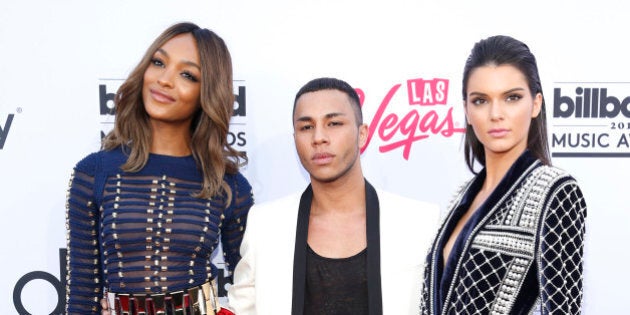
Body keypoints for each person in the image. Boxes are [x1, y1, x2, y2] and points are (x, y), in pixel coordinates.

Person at [65, 22, 253, 315]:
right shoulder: (95, 173)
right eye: (158, 62)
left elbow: (251, 289)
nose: (165, 80)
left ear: (208, 92)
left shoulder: (229, 186)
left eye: (187, 74)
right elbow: (82, 293)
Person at [227, 77, 441, 314]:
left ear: (362, 134)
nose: (318, 137)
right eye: (306, 127)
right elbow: (241, 308)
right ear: (295, 138)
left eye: (334, 123)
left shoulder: (420, 222)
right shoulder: (265, 224)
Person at [419, 35, 588, 314]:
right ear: (467, 111)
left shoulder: (556, 191)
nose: (496, 114)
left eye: (512, 98)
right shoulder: (461, 196)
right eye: (481, 100)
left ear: (535, 104)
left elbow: (563, 308)